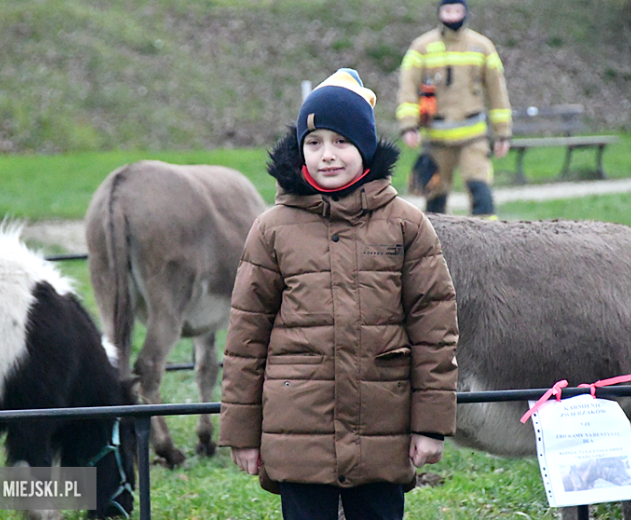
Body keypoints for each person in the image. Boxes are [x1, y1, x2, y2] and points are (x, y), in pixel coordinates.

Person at [219, 68, 459, 520]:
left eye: (341, 141)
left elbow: (435, 330)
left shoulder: (407, 225)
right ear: (299, 151)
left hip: (381, 431)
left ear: (364, 145)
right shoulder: (272, 230)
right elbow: (245, 338)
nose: (327, 155)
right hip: (298, 434)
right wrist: (243, 432)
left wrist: (430, 425)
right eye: (314, 143)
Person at [396, 0, 512, 218]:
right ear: (439, 13)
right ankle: (435, 244)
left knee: (480, 189)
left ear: (466, 12)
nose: (452, 16)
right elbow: (408, 90)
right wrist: (409, 127)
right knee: (435, 197)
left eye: (457, 10)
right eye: (447, 10)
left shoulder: (482, 47)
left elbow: (497, 92)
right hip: (437, 138)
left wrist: (502, 132)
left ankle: (489, 242)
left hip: (473, 137)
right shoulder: (421, 47)